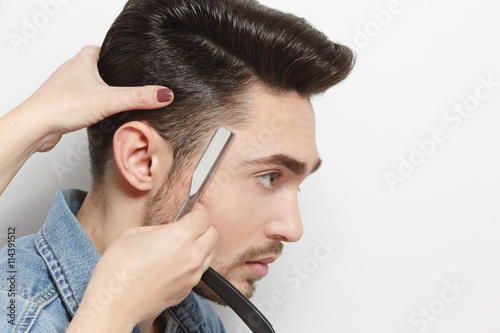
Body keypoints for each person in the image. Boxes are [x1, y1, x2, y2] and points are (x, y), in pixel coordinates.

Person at [0, 0, 354, 332]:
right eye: (269, 176)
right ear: (142, 159)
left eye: (298, 183)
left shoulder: (189, 316)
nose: (293, 228)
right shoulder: (18, 315)